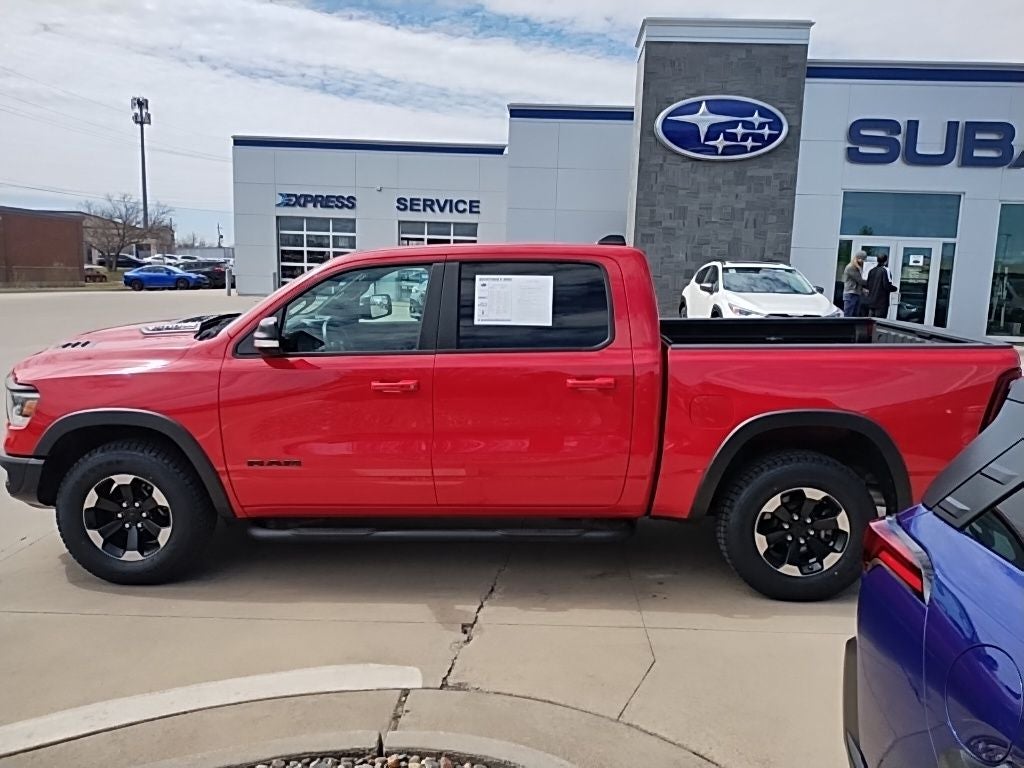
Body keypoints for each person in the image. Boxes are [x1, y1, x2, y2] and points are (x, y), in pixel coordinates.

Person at [865, 253, 898, 318]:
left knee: (870, 321)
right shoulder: (886, 270)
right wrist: (895, 288)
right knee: (880, 321)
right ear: (886, 261)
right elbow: (886, 285)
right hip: (881, 302)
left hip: (871, 301)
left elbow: (867, 285)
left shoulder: (871, 270)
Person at [843, 252, 868, 318]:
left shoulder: (857, 267)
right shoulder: (851, 267)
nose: (863, 262)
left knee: (854, 315)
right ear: (858, 258)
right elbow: (860, 280)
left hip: (856, 293)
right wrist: (872, 283)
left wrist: (862, 289)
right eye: (863, 259)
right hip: (851, 293)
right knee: (848, 315)